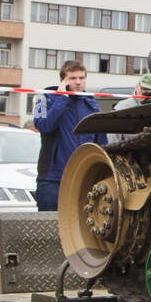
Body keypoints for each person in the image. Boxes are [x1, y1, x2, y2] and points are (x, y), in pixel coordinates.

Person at [33, 60, 107, 211]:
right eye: (73, 78)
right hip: (53, 179)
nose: (78, 82)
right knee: (50, 227)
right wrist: (62, 98)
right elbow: (44, 127)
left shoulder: (91, 103)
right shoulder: (45, 98)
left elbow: (101, 143)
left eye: (81, 78)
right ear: (63, 80)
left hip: (84, 176)